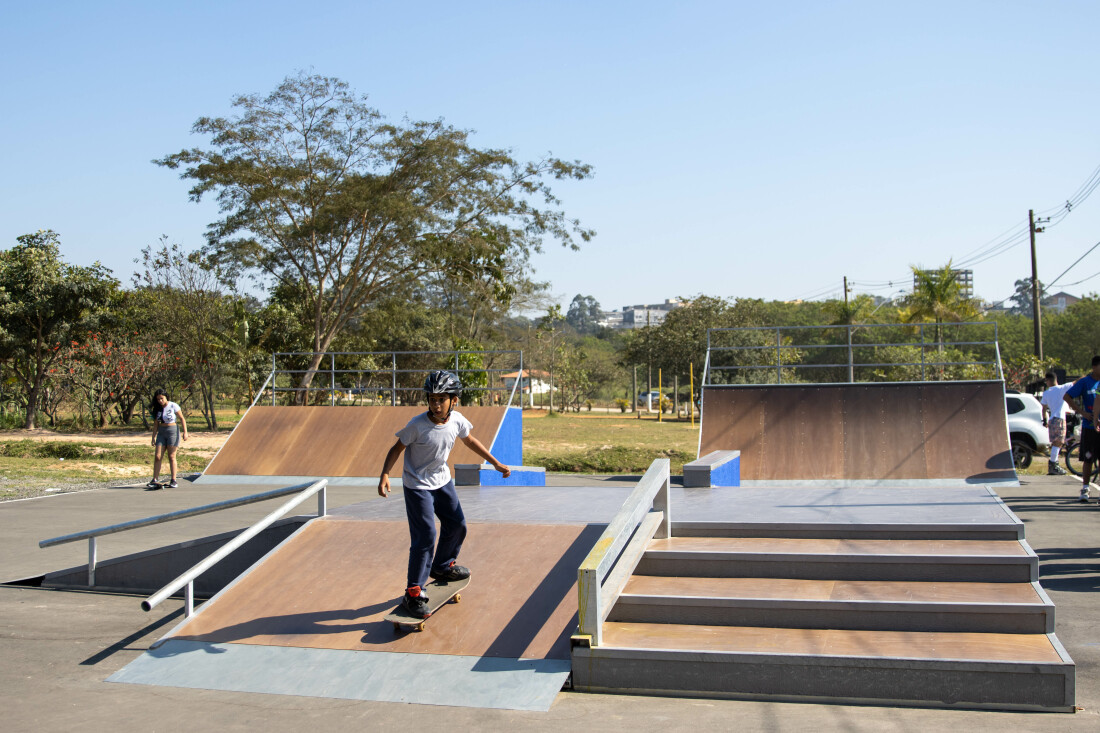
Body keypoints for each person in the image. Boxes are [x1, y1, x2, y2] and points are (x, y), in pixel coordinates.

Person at [378, 371, 510, 618]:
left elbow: (469, 441)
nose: (436, 404)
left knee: (457, 524)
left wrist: (495, 462)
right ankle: (414, 592)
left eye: (441, 399)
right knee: (426, 534)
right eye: (432, 399)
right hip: (417, 485)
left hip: (441, 480)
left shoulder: (457, 420)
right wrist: (385, 474)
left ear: (454, 401)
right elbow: (396, 449)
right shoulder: (417, 425)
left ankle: (441, 566)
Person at [1064, 357, 1100, 503]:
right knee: (1088, 458)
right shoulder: (1085, 382)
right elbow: (1067, 396)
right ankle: (1085, 487)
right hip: (1089, 426)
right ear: (1094, 367)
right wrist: (1082, 412)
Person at [148, 388, 188, 489]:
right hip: (161, 432)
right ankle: (155, 479)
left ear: (166, 397)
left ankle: (173, 480)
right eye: (158, 399)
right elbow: (156, 424)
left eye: (162, 398)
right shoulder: (158, 409)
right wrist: (153, 437)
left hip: (172, 431)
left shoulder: (173, 405)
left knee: (171, 456)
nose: (160, 401)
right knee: (158, 456)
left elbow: (182, 418)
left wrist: (185, 432)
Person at [1040, 371, 1071, 475]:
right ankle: (1053, 465)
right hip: (1060, 419)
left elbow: (1043, 409)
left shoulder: (1046, 392)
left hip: (1052, 419)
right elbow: (1075, 382)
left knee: (1055, 443)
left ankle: (1054, 464)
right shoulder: (1062, 388)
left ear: (1048, 380)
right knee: (1059, 442)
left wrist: (1044, 420)